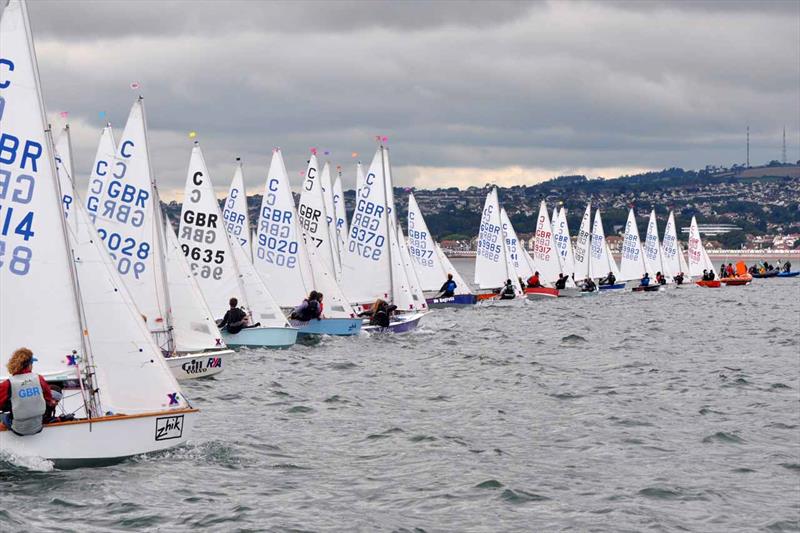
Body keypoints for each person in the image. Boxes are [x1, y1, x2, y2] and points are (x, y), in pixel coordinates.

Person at [0, 348, 59, 436]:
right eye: (32, 363)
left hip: (18, 429)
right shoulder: (39, 378)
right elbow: (48, 398)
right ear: (28, 364)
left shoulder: (7, 383)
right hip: (39, 426)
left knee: (2, 416)